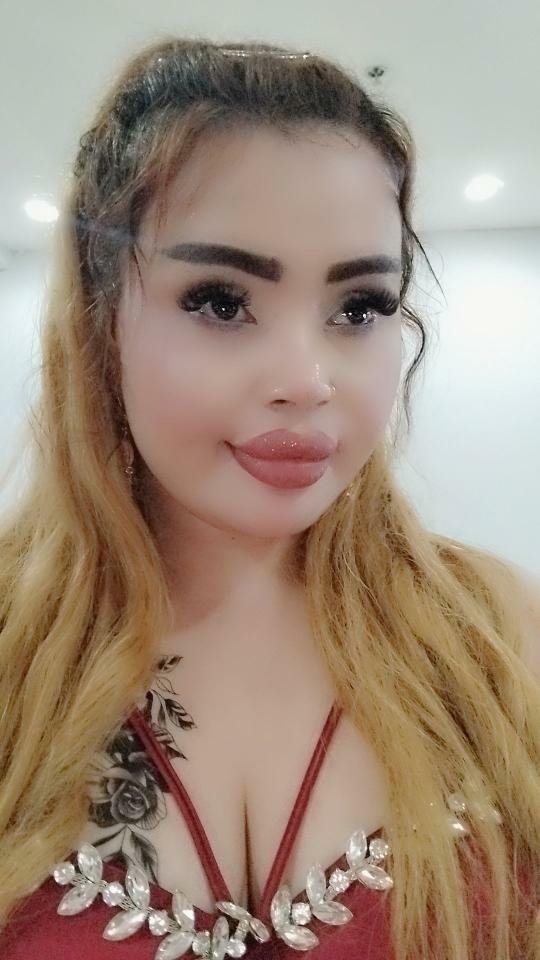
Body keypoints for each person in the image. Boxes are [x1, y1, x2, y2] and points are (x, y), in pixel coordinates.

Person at [0, 36, 538, 960]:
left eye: (359, 308)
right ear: (100, 319)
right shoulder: (16, 644)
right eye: (220, 300)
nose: (306, 380)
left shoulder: (500, 637)